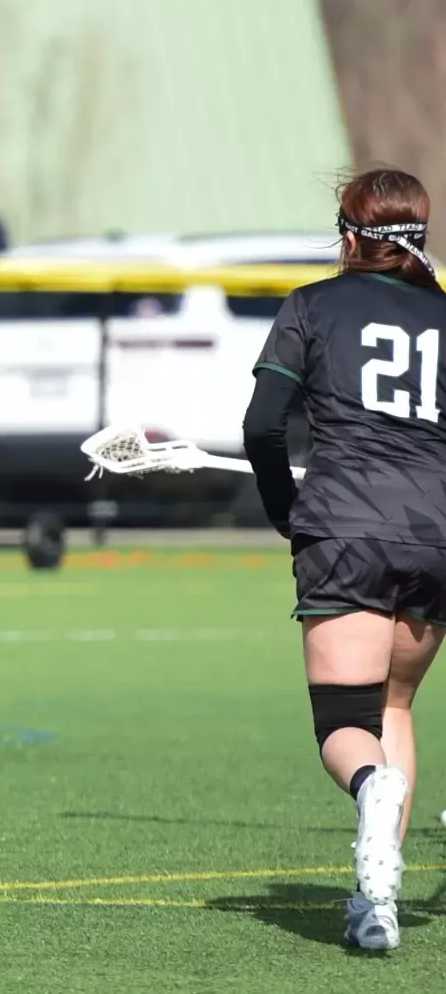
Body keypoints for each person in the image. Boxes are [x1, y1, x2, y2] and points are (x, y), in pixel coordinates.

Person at [241, 166, 446, 951]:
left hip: (346, 531)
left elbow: (264, 428)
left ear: (351, 235)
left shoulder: (314, 305)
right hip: (435, 538)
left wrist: (285, 513)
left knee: (345, 726)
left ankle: (372, 787)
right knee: (394, 708)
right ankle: (377, 903)